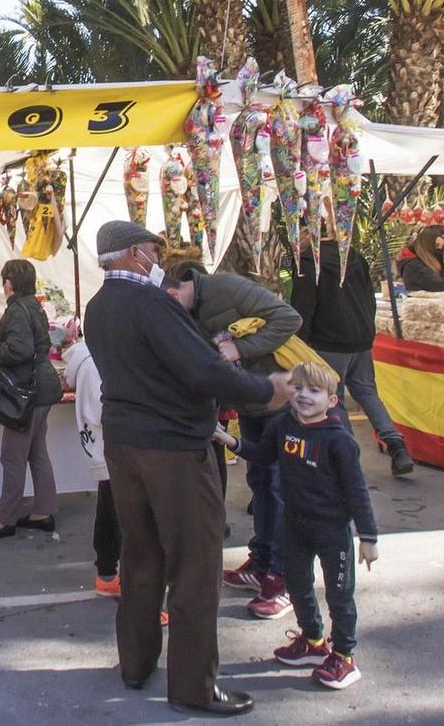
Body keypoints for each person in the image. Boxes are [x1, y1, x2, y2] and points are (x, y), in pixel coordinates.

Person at [85, 220, 288, 717]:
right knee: (196, 566)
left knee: (141, 555)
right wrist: (266, 391)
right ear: (134, 254)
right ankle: (194, 685)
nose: (159, 258)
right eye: (153, 249)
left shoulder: (98, 305)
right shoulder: (151, 304)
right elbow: (202, 368)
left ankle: (135, 664)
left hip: (126, 442)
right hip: (172, 447)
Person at [221, 361, 379, 693]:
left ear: (332, 401)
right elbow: (263, 455)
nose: (304, 396)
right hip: (293, 526)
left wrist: (368, 537)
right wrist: (229, 441)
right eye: (298, 388)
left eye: (315, 390)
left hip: (332, 531)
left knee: (340, 596)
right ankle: (312, 640)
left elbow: (357, 491)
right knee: (297, 586)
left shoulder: (339, 441)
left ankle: (344, 656)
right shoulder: (281, 425)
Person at [163, 256, 300, 621]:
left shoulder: (226, 287)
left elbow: (289, 318)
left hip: (281, 399)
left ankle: (282, 578)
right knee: (260, 482)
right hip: (250, 404)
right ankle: (262, 559)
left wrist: (241, 349)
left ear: (178, 290)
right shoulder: (187, 312)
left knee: (278, 488)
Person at [293, 240, 416, 478]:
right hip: (359, 336)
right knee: (366, 391)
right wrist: (366, 329)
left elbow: (304, 306)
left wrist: (301, 340)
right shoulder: (353, 255)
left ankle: (348, 458)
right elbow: (368, 297)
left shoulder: (308, 262)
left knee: (333, 398)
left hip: (328, 339)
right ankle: (396, 445)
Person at [0, 258, 63, 542]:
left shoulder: (16, 310)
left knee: (12, 456)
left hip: (26, 392)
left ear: (9, 284)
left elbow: (18, 351)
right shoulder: (34, 306)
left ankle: (5, 519)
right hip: (43, 388)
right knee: (37, 451)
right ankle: (43, 512)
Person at [62, 320, 119, 597]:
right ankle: (110, 575)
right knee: (117, 514)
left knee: (111, 510)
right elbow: (103, 410)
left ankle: (108, 574)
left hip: (105, 447)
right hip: (113, 448)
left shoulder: (88, 361)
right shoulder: (96, 365)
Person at [396, 226, 444, 292]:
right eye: (436, 245)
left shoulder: (425, 262)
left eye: (442, 246)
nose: (440, 250)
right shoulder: (414, 266)